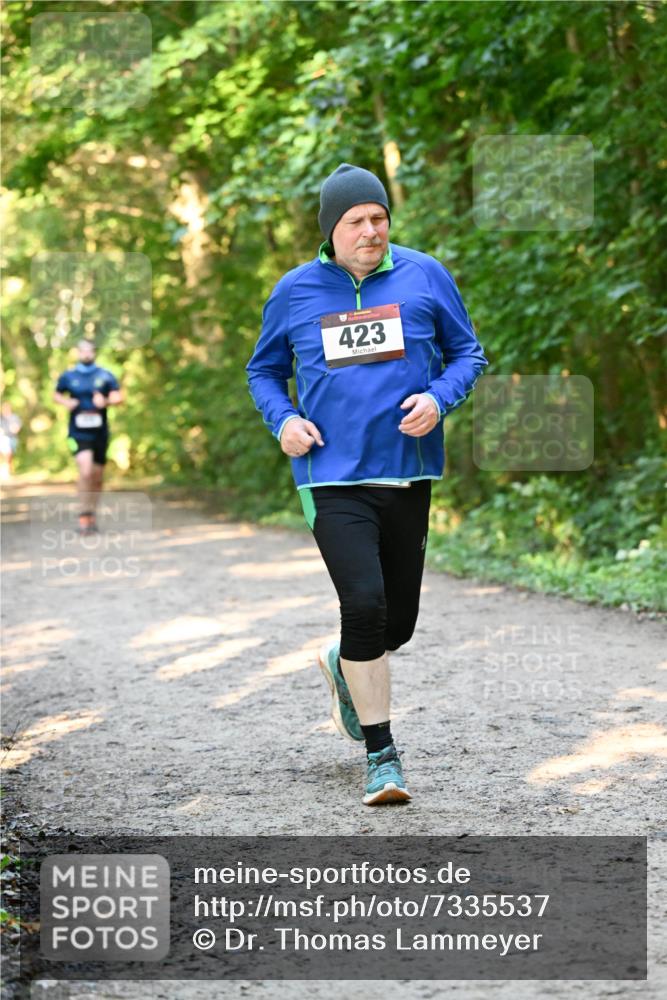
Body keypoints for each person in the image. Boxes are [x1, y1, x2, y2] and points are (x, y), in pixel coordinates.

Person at [246, 163, 488, 806]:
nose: (371, 230)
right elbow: (264, 372)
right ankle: (383, 758)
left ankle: (343, 664)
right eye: (357, 221)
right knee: (365, 603)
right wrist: (285, 419)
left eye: (379, 218)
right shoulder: (296, 290)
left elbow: (469, 353)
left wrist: (440, 398)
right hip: (329, 476)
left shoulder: (424, 273)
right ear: (331, 229)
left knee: (397, 624)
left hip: (407, 472)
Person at [53, 339, 123, 534]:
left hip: (100, 432)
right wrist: (67, 403)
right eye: (82, 350)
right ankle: (83, 515)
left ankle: (92, 513)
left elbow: (119, 397)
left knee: (97, 476)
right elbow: (56, 395)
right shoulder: (69, 376)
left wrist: (106, 401)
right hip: (78, 432)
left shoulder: (105, 375)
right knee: (85, 470)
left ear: (94, 352)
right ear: (77, 352)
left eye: (89, 350)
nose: (86, 354)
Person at [0, 401, 22, 481]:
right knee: (4, 454)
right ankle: (4, 470)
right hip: (3, 438)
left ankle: (7, 470)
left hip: (11, 438)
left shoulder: (14, 417)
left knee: (9, 455)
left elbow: (16, 428)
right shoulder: (1, 418)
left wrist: (14, 429)